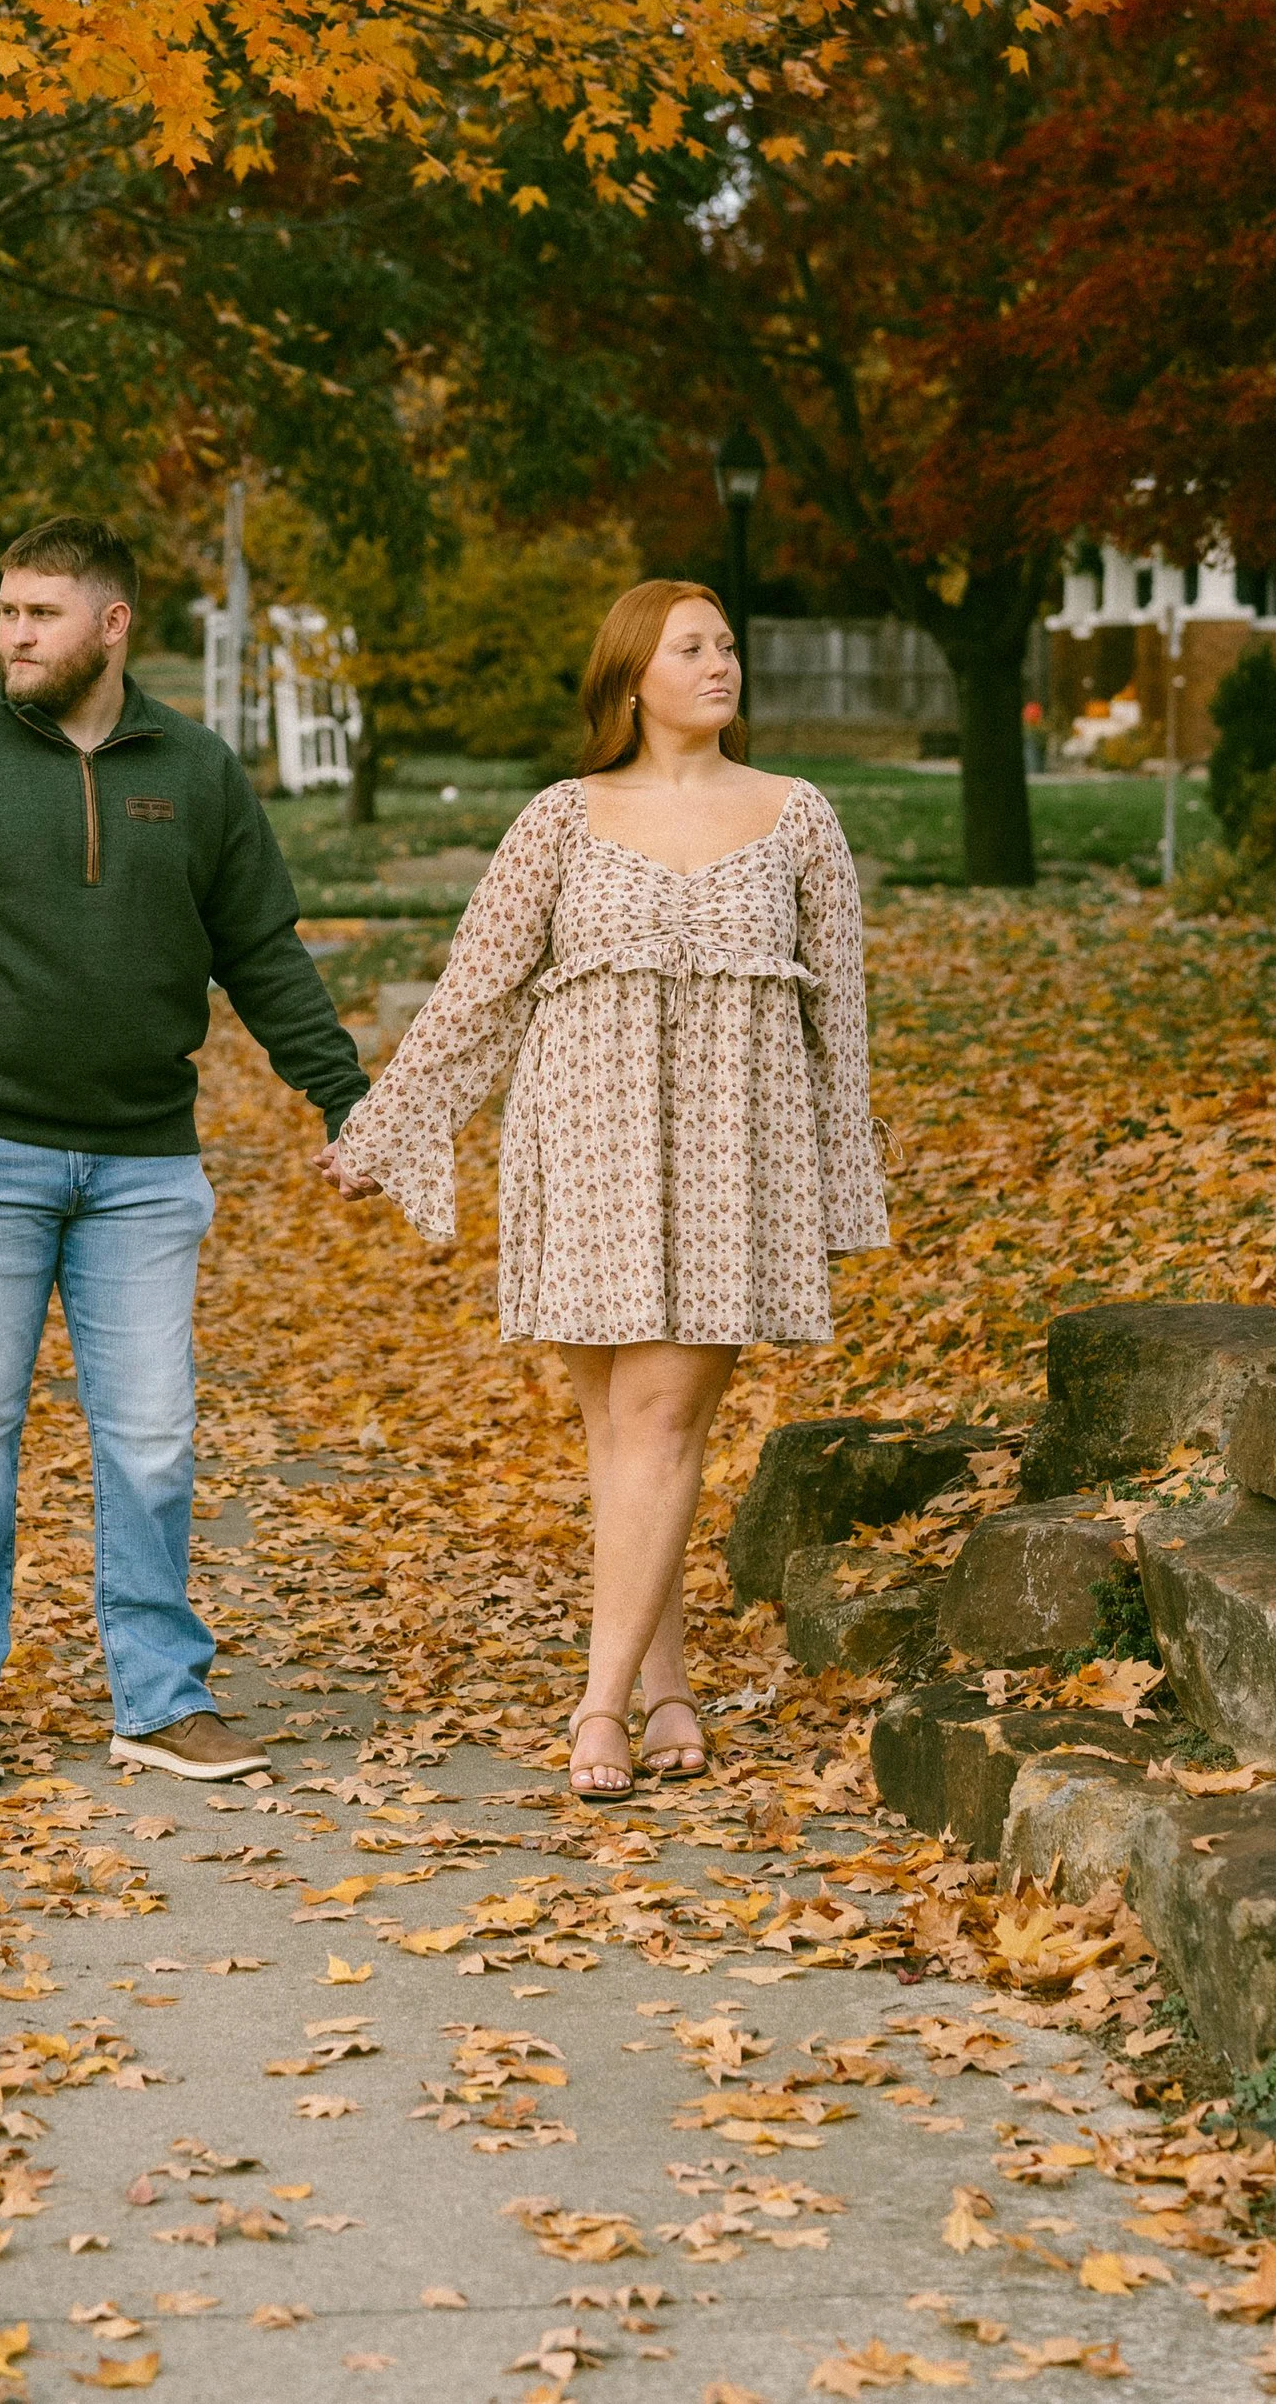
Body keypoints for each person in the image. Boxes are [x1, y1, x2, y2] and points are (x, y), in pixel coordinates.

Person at [0, 514, 368, 1791]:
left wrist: (344, 1099)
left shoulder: (198, 769)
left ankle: (160, 1703)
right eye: (6, 612)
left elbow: (264, 952)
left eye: (40, 613)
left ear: (112, 625)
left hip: (142, 1169)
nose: (13, 634)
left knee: (154, 1438)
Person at [320, 577, 884, 1801]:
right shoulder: (561, 819)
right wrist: (384, 1129)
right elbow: (477, 990)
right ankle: (669, 1684)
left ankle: (600, 1707)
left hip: (739, 1155)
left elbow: (840, 1017)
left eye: (728, 645)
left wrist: (843, 1191)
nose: (721, 663)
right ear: (634, 675)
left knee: (664, 1425)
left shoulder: (799, 817)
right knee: (621, 1439)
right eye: (692, 647)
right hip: (585, 1142)